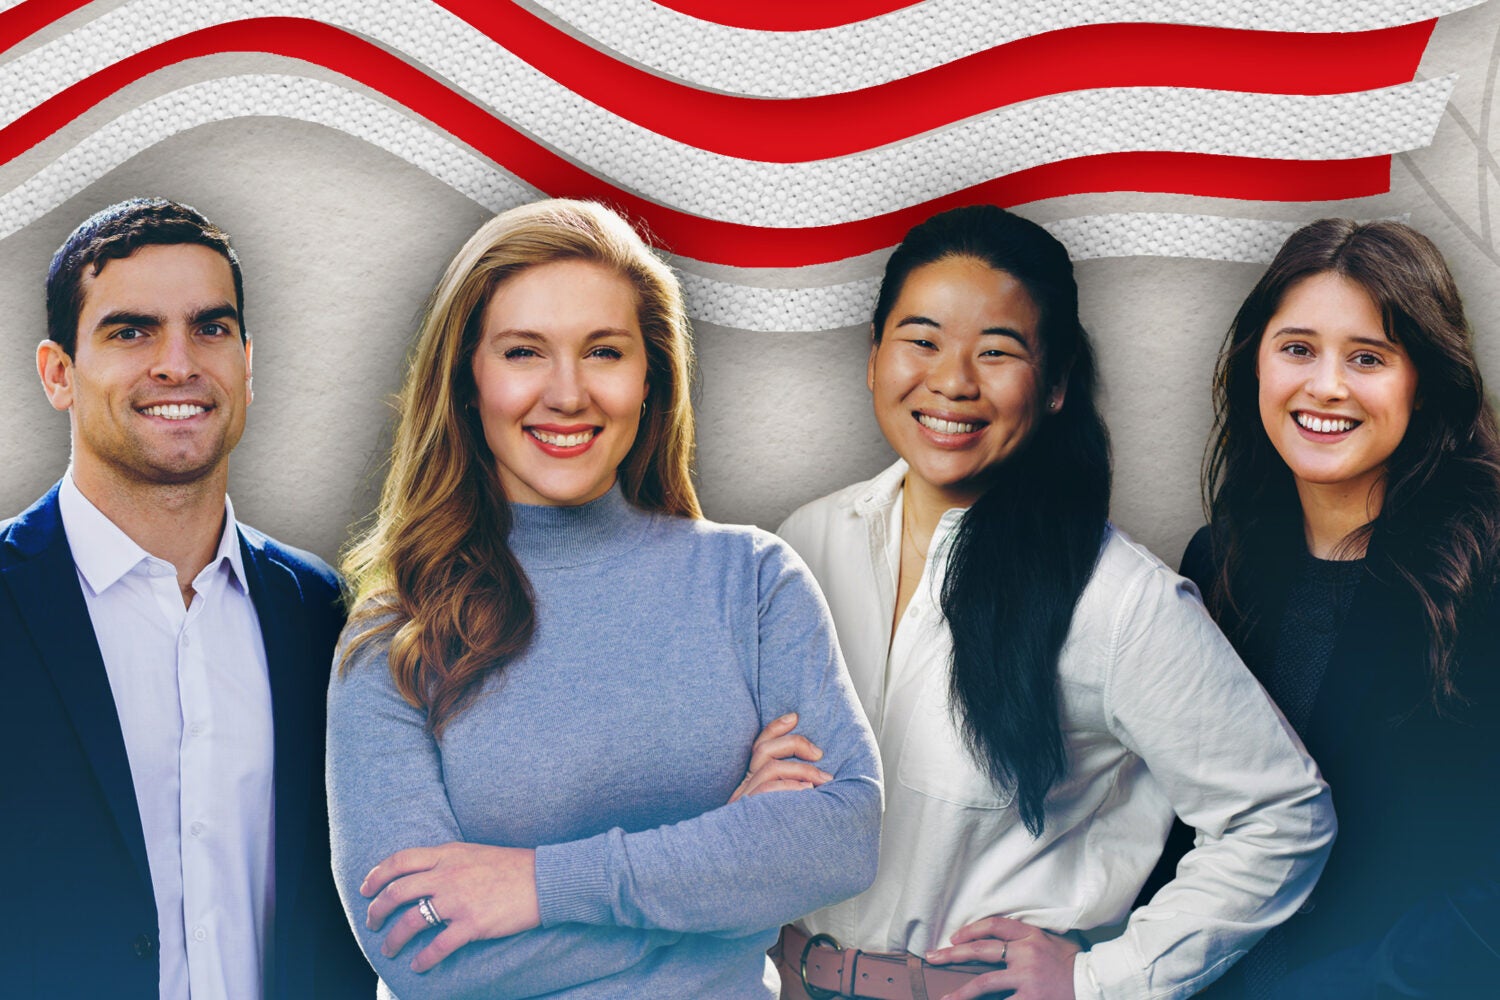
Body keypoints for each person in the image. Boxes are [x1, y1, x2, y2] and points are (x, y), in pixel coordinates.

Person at [774, 204, 1335, 1000]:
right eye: (921, 340)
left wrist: (1103, 981)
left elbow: (1282, 815)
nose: (952, 380)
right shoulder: (806, 543)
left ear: (1058, 383)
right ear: (873, 357)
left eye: (997, 351)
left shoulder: (1117, 601)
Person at [326, 198, 882, 999]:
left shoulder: (752, 584)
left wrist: (535, 885)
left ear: (650, 376)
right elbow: (424, 953)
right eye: (524, 352)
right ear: (467, 380)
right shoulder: (396, 638)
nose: (567, 393)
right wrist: (730, 878)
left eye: (604, 352)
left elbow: (839, 839)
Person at [0, 198, 373, 998]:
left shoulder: (322, 616)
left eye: (210, 328)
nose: (178, 363)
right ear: (58, 374)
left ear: (247, 362)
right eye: (130, 331)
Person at [1182, 218, 1500, 996]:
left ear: (1423, 382)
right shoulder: (1219, 562)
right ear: (1254, 362)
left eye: (1368, 357)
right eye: (1297, 348)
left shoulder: (1486, 572)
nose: (1325, 385)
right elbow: (1188, 824)